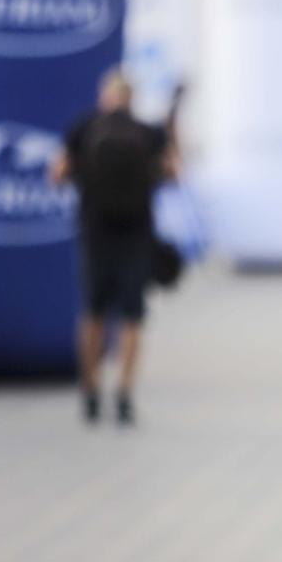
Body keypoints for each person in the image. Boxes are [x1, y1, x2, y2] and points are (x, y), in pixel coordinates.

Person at [50, 68, 172, 425]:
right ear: (132, 98)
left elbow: (57, 173)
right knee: (133, 317)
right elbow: (174, 172)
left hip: (95, 233)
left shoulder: (84, 127)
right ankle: (124, 393)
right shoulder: (148, 132)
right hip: (136, 234)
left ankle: (90, 391)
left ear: (105, 96)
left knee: (92, 314)